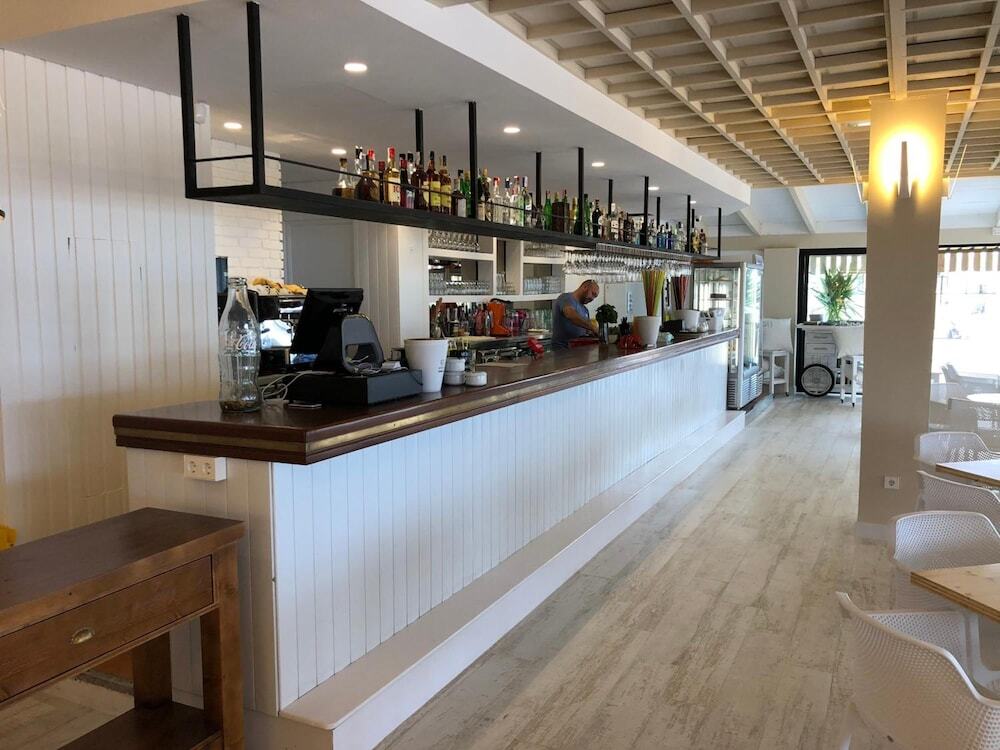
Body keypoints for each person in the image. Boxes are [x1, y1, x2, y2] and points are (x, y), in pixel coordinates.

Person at [551, 280, 600, 349]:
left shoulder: (585, 310)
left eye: (595, 297)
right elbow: (570, 315)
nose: (592, 298)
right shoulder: (566, 298)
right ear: (585, 287)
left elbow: (586, 331)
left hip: (577, 350)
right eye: (592, 294)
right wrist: (592, 327)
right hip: (562, 350)